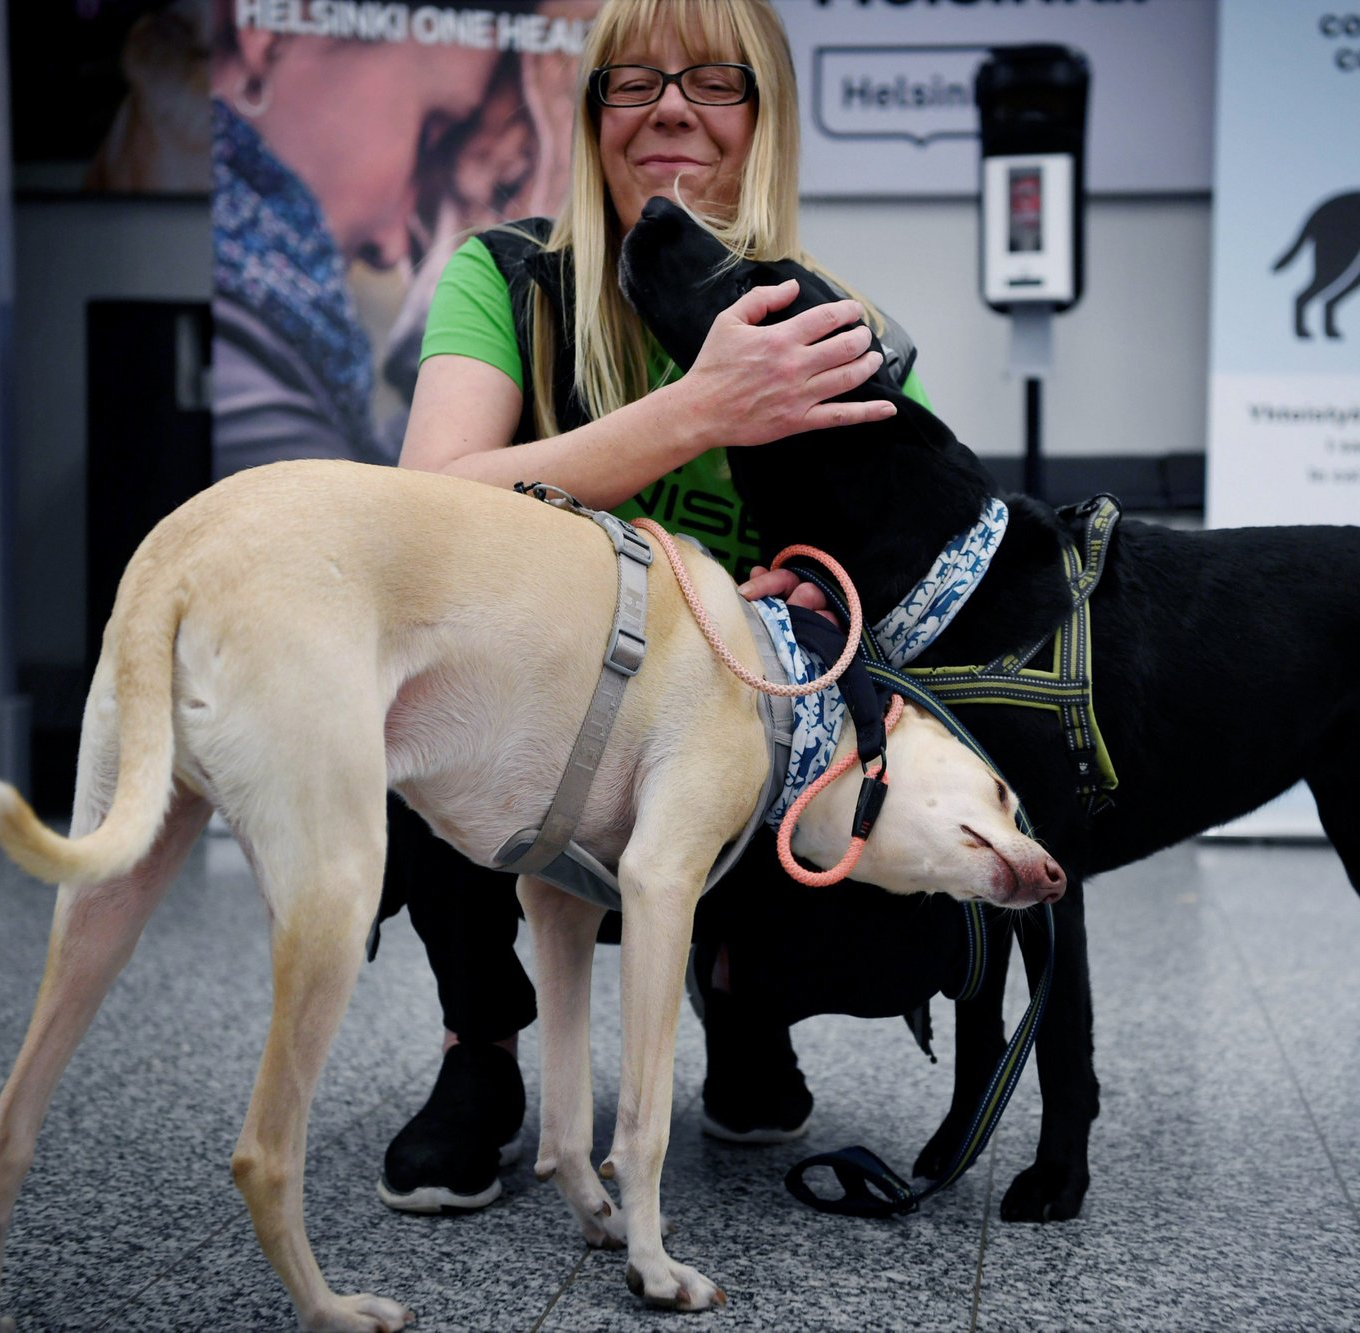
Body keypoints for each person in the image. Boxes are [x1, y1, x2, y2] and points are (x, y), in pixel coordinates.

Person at [379, 0, 934, 1214]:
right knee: (425, 678)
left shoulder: (833, 330)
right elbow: (426, 506)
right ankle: (478, 1051)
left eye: (712, 81)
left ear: (763, 119)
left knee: (867, 752)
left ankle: (743, 1000)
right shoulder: (508, 276)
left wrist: (822, 603)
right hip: (525, 722)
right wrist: (696, 411)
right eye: (629, 83)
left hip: (729, 732)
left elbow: (907, 574)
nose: (669, 106)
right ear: (589, 120)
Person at [209, 10, 508, 473]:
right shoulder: (235, 351)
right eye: (432, 132)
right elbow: (349, 524)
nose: (391, 250)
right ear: (270, 33)